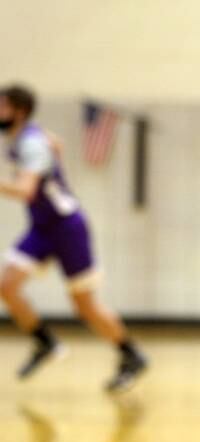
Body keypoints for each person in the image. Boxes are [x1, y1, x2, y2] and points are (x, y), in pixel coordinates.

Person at [0, 84, 147, 392]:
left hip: (67, 227)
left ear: (18, 110)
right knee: (7, 285)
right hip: (42, 228)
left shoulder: (31, 144)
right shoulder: (26, 138)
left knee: (84, 305)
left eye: (2, 106)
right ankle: (45, 343)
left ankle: (130, 354)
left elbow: (26, 190)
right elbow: (58, 144)